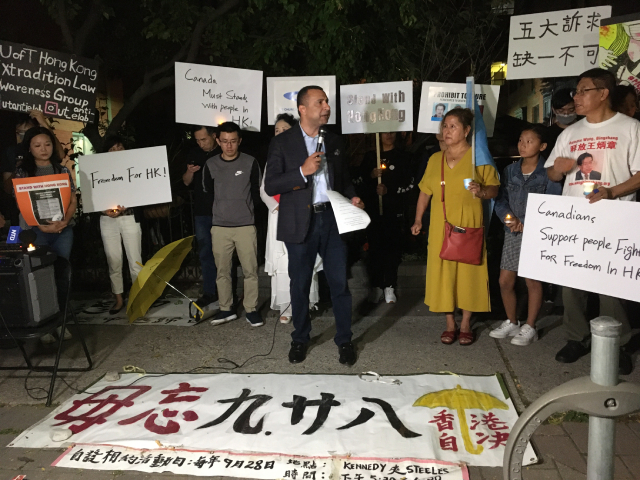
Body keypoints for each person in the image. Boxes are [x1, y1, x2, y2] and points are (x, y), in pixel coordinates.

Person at [545, 68, 640, 374]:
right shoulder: (569, 133)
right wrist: (558, 170)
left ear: (603, 93)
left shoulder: (630, 128)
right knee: (572, 284)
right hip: (575, 221)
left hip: (614, 219)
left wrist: (612, 191)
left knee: (611, 286)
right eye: (575, 91)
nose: (576, 97)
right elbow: (552, 173)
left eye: (583, 90)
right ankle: (577, 338)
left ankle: (618, 343)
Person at [264, 85, 364, 365]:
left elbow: (343, 180)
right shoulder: (283, 143)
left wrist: (353, 195)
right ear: (303, 109)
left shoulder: (334, 141)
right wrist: (301, 172)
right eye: (320, 102)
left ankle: (344, 340)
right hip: (299, 221)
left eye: (327, 102)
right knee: (299, 284)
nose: (326, 107)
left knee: (339, 284)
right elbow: (271, 183)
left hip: (332, 220)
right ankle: (300, 338)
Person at [410, 108, 500, 346]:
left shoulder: (477, 158)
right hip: (442, 226)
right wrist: (418, 219)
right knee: (443, 274)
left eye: (453, 126)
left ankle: (466, 324)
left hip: (469, 224)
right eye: (445, 126)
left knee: (470, 273)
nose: (447, 131)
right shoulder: (434, 159)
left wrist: (481, 191)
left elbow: (494, 189)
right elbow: (424, 193)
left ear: (467, 130)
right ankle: (450, 324)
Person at [492, 125, 562, 345]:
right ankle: (512, 321)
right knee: (505, 281)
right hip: (512, 231)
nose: (523, 145)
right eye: (521, 140)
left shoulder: (548, 172)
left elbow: (553, 203)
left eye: (529, 141)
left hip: (536, 233)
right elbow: (500, 199)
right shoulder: (510, 170)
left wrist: (530, 223)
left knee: (532, 280)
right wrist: (508, 219)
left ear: (542, 146)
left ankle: (531, 326)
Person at [14, 126, 77, 344]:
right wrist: (41, 226)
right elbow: (22, 205)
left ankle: (60, 321)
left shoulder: (62, 171)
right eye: (37, 145)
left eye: (48, 144)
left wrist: (65, 222)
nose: (44, 149)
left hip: (63, 231)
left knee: (61, 272)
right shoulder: (23, 173)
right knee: (40, 277)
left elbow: (73, 201)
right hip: (36, 232)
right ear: (29, 149)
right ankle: (44, 325)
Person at [260, 113, 323, 323]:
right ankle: (285, 308)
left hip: (301, 214)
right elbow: (264, 189)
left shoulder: (304, 155)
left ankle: (307, 303)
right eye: (276, 131)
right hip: (279, 215)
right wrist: (278, 207)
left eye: (284, 130)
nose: (280, 134)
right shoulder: (274, 156)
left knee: (303, 260)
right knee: (282, 263)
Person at [203, 122, 263, 327]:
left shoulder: (250, 162)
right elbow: (208, 192)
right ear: (218, 141)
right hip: (220, 226)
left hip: (245, 225)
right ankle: (226, 308)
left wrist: (246, 210)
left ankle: (251, 309)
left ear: (239, 141)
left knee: (250, 270)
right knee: (222, 271)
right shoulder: (211, 164)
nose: (229, 146)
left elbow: (258, 191)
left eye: (233, 141)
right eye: (225, 141)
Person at [358, 132, 413, 304]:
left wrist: (390, 191)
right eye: (384, 133)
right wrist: (371, 176)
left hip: (392, 211)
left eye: (391, 132)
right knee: (374, 248)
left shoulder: (402, 157)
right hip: (373, 212)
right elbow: (359, 182)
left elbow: (409, 185)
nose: (388, 135)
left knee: (391, 249)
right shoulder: (370, 157)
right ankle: (376, 285)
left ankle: (389, 285)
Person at [99, 136, 143, 315]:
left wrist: (128, 205)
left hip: (130, 217)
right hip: (107, 220)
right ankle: (118, 299)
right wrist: (104, 211)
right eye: (112, 148)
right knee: (113, 261)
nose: (117, 151)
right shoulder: (99, 170)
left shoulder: (135, 168)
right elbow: (93, 195)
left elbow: (143, 190)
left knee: (135, 261)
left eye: (120, 147)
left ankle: (139, 299)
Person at [182, 125, 219, 308]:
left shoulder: (222, 151)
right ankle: (210, 291)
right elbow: (186, 182)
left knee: (226, 253)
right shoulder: (194, 154)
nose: (201, 143)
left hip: (223, 211)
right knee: (205, 252)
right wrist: (190, 171)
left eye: (204, 139)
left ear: (213, 136)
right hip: (202, 212)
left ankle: (228, 291)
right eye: (197, 140)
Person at [546, 88, 578, 154]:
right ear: (553, 110)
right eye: (561, 111)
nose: (566, 113)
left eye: (571, 110)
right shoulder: (548, 134)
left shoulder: (584, 129)